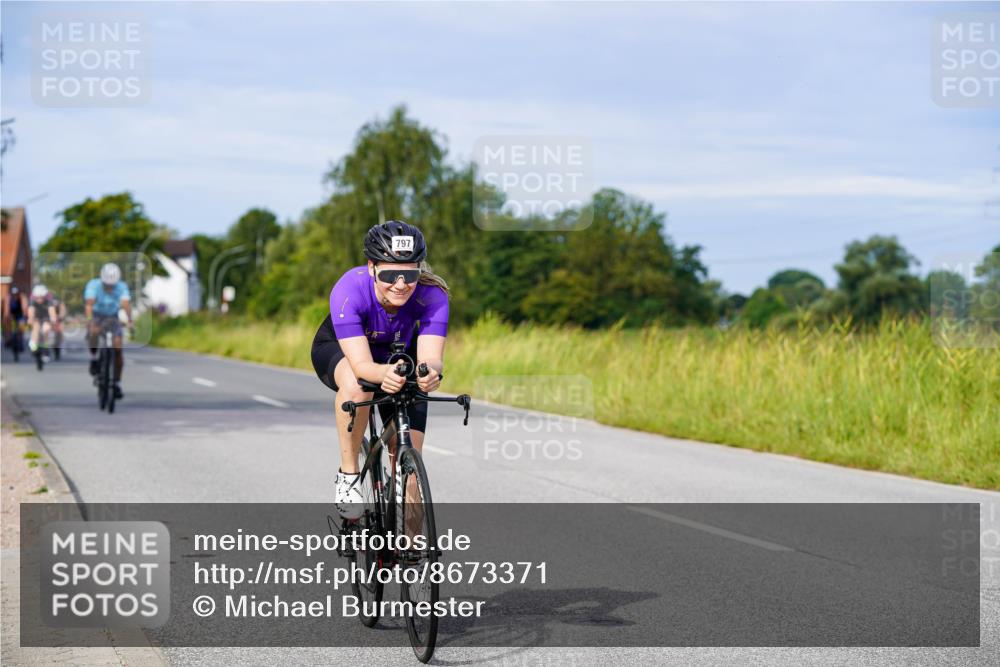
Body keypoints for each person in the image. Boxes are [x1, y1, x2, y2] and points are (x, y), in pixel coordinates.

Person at [311, 220, 449, 519]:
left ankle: (410, 554)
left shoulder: (433, 295)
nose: (401, 284)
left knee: (410, 471)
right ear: (372, 266)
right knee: (357, 384)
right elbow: (362, 367)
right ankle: (348, 475)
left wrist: (430, 373)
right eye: (389, 274)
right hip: (345, 350)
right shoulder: (350, 289)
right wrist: (381, 374)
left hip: (398, 354)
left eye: (410, 274)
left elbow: (431, 357)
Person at [84, 263, 132, 399]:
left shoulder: (122, 287)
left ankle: (116, 381)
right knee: (93, 332)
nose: (110, 288)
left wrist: (129, 320)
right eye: (107, 285)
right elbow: (89, 305)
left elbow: (126, 304)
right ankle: (94, 358)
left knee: (118, 348)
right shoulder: (93, 285)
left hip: (113, 317)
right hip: (97, 315)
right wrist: (89, 320)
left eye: (113, 285)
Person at [27, 284, 57, 362]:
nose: (39, 299)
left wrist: (53, 319)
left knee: (46, 329)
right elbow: (31, 311)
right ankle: (34, 345)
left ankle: (46, 349)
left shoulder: (49, 298)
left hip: (45, 314)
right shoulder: (32, 298)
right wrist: (30, 318)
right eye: (38, 298)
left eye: (41, 297)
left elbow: (52, 311)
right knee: (36, 326)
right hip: (37, 314)